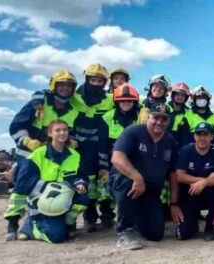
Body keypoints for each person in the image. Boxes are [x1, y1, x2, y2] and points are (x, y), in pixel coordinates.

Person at [4, 69, 79, 241]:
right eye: (61, 85)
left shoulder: (73, 110)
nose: (65, 88)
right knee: (23, 185)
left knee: (58, 184)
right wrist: (27, 141)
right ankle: (13, 221)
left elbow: (71, 131)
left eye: (69, 86)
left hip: (54, 153)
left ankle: (60, 220)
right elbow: (15, 126)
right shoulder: (39, 103)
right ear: (54, 86)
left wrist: (72, 140)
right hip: (29, 153)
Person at [108, 103, 178, 250]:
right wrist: (137, 178)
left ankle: (134, 219)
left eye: (164, 119)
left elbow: (173, 174)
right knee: (127, 182)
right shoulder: (133, 132)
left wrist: (174, 203)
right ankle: (124, 232)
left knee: (156, 234)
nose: (159, 122)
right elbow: (117, 158)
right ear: (148, 117)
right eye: (155, 117)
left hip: (151, 191)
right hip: (126, 182)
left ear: (168, 121)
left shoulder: (170, 141)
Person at [14, 120, 89, 243]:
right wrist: (49, 188)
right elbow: (25, 181)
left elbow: (81, 175)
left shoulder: (75, 155)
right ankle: (32, 228)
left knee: (84, 198)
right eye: (58, 130)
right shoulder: (38, 154)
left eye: (65, 130)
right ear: (50, 133)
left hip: (63, 200)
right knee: (57, 238)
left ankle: (67, 224)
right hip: (43, 200)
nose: (62, 133)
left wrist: (80, 183)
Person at [71, 63, 114, 232]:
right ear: (87, 79)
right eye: (93, 80)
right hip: (80, 149)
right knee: (86, 183)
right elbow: (52, 95)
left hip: (101, 147)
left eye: (99, 81)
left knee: (105, 182)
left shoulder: (109, 99)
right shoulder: (74, 97)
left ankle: (107, 216)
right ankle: (89, 217)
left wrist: (144, 109)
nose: (96, 83)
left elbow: (128, 103)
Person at [97, 83, 141, 228]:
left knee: (131, 190)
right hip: (111, 162)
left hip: (134, 163)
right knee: (105, 192)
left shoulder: (140, 117)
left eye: (129, 101)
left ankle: (131, 219)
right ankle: (106, 216)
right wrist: (103, 166)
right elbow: (102, 144)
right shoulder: (107, 117)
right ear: (117, 101)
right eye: (123, 100)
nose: (126, 103)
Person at [175, 122, 214, 241]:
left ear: (211, 136)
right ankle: (193, 224)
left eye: (206, 134)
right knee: (183, 234)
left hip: (207, 194)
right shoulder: (186, 150)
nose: (202, 138)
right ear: (194, 136)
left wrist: (204, 183)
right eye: (199, 134)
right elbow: (179, 176)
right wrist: (205, 180)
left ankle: (210, 227)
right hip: (189, 194)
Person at [167, 82, 192, 150]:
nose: (180, 97)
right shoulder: (164, 108)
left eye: (182, 95)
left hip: (181, 148)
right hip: (163, 145)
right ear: (173, 95)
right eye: (177, 94)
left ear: (186, 98)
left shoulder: (189, 113)